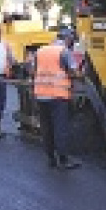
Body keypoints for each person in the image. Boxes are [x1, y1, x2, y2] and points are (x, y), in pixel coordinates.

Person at [33, 28, 83, 169]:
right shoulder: (64, 51)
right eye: (72, 40)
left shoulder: (40, 51)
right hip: (58, 95)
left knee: (46, 127)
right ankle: (63, 159)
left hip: (41, 95)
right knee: (60, 127)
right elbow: (73, 71)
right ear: (68, 39)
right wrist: (80, 75)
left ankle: (50, 158)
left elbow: (33, 70)